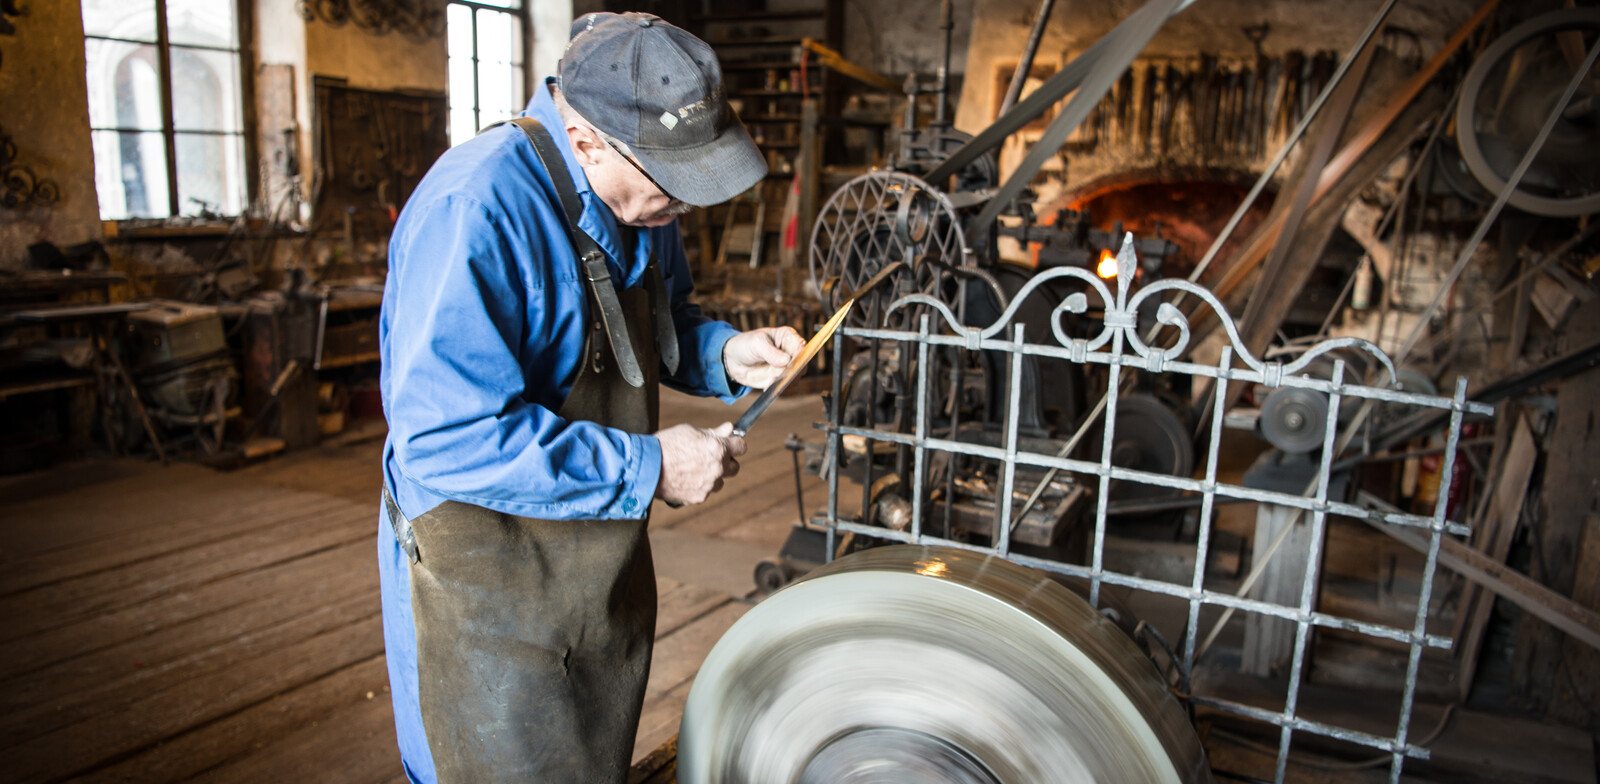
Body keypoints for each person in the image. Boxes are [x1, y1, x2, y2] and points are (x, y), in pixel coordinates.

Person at [376, 12, 804, 783]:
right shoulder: (474, 211)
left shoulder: (643, 194)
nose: (686, 204)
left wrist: (727, 354)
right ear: (586, 143)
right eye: (673, 183)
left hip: (591, 558)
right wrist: (647, 469)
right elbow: (444, 440)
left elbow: (661, 322)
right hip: (486, 575)